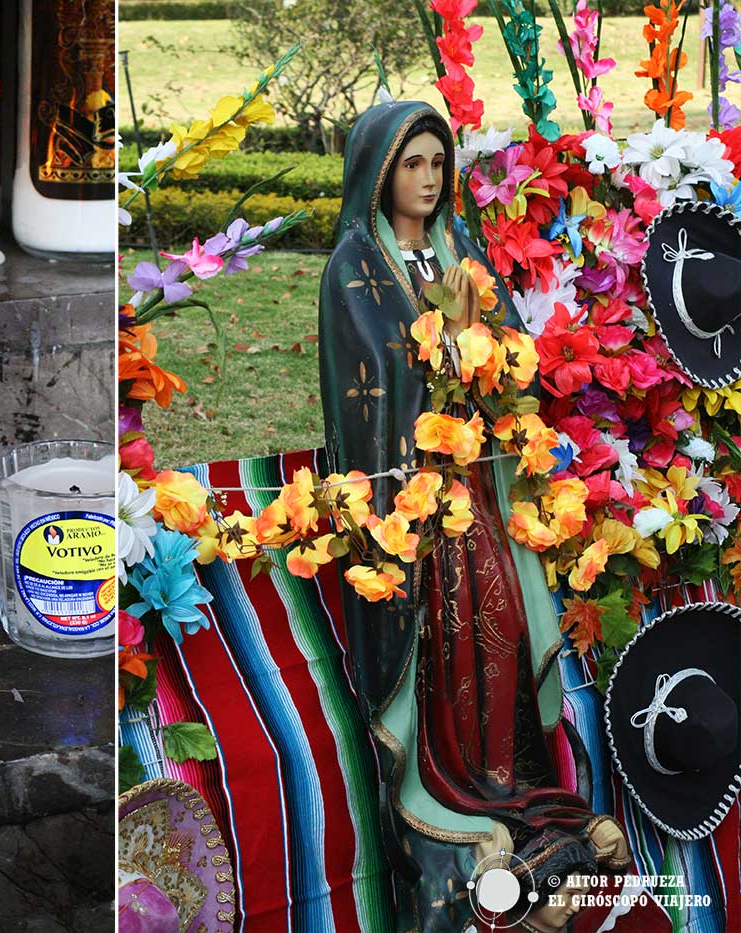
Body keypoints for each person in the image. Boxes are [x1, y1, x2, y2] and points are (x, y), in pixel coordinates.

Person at [318, 101, 628, 930]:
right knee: (446, 639)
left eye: (436, 163)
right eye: (412, 162)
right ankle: (452, 792)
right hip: (415, 509)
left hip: (483, 491)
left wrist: (485, 343)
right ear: (379, 172)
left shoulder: (460, 248)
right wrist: (452, 339)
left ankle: (521, 788)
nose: (427, 177)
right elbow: (373, 385)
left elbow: (510, 353)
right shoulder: (355, 267)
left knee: (503, 630)